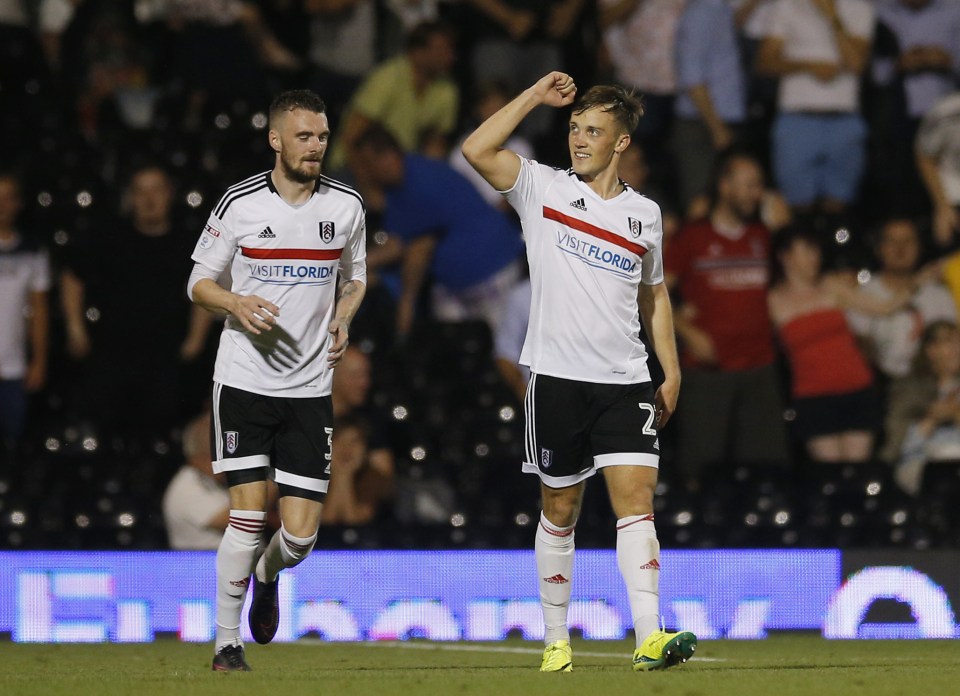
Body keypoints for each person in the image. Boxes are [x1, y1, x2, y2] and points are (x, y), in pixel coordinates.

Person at [462, 71, 697, 672]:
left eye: (593, 130)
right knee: (560, 508)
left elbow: (656, 296)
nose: (579, 139)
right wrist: (533, 97)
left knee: (636, 501)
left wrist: (669, 371)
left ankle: (649, 635)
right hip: (557, 378)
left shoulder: (645, 214)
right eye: (573, 128)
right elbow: (476, 151)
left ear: (621, 143)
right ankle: (555, 639)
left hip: (625, 378)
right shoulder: (541, 187)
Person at [187, 89, 367, 671]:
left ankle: (267, 577)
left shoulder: (346, 207)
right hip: (242, 380)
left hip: (310, 388)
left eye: (321, 136)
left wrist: (342, 317)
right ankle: (225, 643)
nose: (315, 147)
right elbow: (198, 284)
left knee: (300, 538)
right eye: (304, 136)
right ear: (276, 139)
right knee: (246, 513)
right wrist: (235, 303)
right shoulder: (240, 204)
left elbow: (354, 278)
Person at [60, 164, 214, 444]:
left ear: (169, 194)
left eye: (156, 190)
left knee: (160, 436)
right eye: (140, 191)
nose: (149, 199)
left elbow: (205, 286)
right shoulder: (108, 236)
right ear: (130, 197)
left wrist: (196, 339)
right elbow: (72, 276)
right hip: (112, 354)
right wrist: (75, 328)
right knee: (106, 434)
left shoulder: (189, 241)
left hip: (166, 358)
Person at [665, 152, 791, 485]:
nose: (756, 194)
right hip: (708, 373)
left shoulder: (763, 237)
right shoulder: (692, 237)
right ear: (725, 186)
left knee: (766, 471)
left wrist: (786, 229)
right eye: (749, 185)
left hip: (759, 371)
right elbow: (651, 294)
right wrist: (689, 331)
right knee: (701, 469)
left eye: (759, 186)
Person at [348, 124, 525, 336]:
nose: (363, 173)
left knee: (503, 349)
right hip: (461, 284)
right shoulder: (400, 184)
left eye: (366, 166)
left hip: (492, 271)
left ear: (386, 157)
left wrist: (405, 303)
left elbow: (413, 248)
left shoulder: (420, 182)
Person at [767, 226, 909, 462]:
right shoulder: (773, 300)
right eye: (807, 251)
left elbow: (885, 308)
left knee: (858, 469)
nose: (815, 257)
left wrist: (918, 281)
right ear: (786, 256)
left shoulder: (831, 286)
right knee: (829, 473)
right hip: (814, 397)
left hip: (856, 390)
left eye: (816, 251)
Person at [757, 0, 875, 227]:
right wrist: (809, 66)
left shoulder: (860, 8)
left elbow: (857, 63)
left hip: (844, 118)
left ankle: (836, 258)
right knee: (796, 204)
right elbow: (765, 61)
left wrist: (832, 17)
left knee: (839, 205)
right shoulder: (787, 5)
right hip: (797, 117)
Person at [326, 20, 458, 172]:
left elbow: (435, 145)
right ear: (417, 51)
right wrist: (369, 186)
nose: (450, 56)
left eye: (451, 50)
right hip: (353, 167)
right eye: (442, 50)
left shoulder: (447, 89)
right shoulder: (387, 78)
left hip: (398, 170)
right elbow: (353, 136)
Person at [847, 218, 957, 380]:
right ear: (879, 248)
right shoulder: (862, 295)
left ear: (919, 247)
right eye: (891, 241)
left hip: (932, 382)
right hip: (880, 382)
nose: (900, 248)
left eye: (908, 241)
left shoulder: (939, 295)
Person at [0, 172, 49, 461]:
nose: (2, 205)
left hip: (14, 369)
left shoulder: (32, 251)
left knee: (14, 452)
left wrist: (39, 360)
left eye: (8, 198)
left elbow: (39, 310)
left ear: (18, 203)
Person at [884, 320, 960, 494]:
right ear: (931, 350)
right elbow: (899, 444)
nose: (957, 349)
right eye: (949, 341)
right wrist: (932, 419)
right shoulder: (910, 389)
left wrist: (955, 414)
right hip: (922, 463)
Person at [162, 411, 230, 550]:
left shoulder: (210, 482)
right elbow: (243, 521)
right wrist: (274, 477)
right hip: (202, 569)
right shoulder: (188, 487)